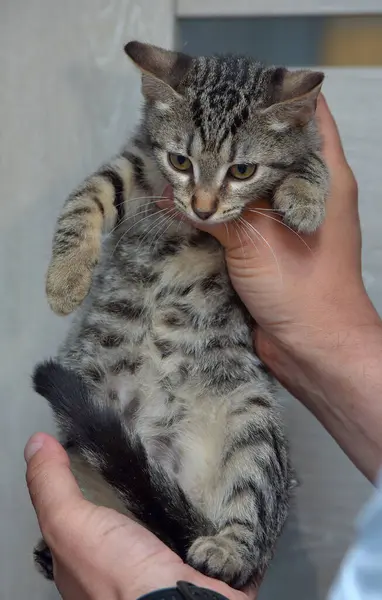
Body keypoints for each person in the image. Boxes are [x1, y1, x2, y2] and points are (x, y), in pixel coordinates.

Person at [24, 95, 382, 600]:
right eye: (184, 163)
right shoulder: (155, 150)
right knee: (97, 401)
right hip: (133, 376)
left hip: (210, 393)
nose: (204, 200)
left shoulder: (274, 158)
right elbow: (109, 187)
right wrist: (73, 247)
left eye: (237, 168)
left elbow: (301, 165)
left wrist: (306, 178)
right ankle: (119, 505)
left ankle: (235, 536)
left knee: (247, 414)